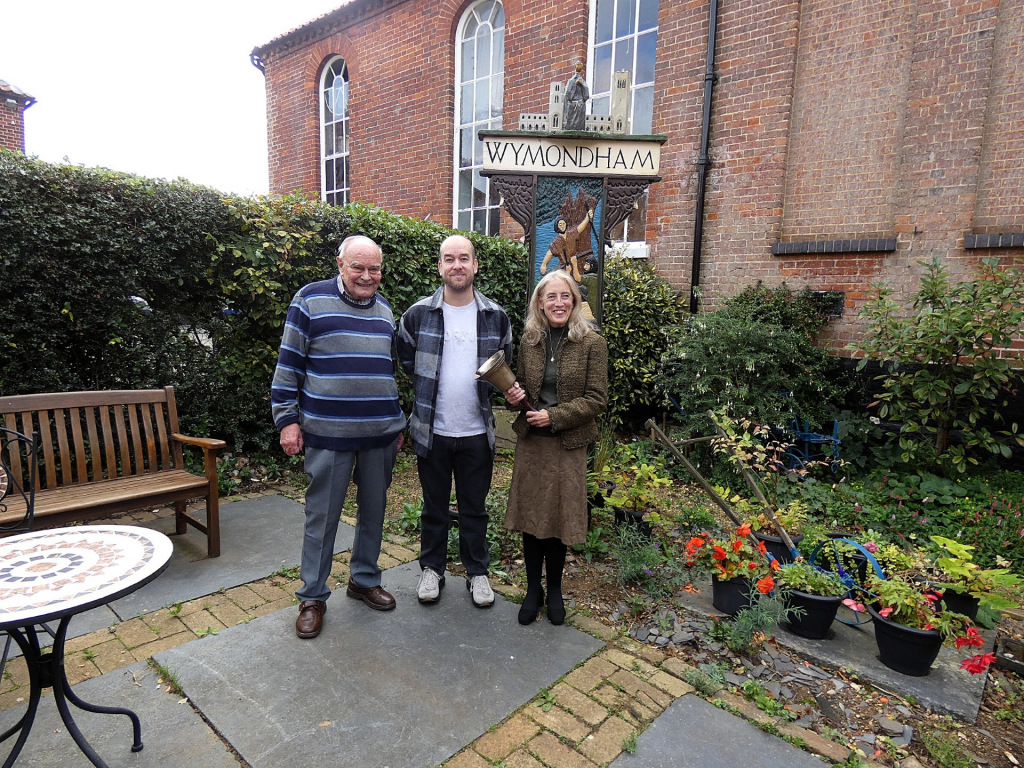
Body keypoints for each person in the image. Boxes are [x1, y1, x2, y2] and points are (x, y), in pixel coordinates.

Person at [272, 235, 407, 639]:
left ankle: (363, 579)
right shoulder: (309, 300)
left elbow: (385, 371)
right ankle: (312, 596)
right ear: (340, 264)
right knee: (322, 517)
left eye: (375, 269)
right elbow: (288, 365)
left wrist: (395, 422)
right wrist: (287, 421)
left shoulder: (385, 309)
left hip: (381, 434)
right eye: (358, 267)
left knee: (374, 513)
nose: (367, 276)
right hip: (327, 433)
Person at [398, 234, 513, 608]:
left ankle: (477, 572)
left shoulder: (495, 316)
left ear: (475, 265)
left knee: (474, 507)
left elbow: (504, 367)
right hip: (433, 430)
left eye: (464, 258)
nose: (457, 265)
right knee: (433, 506)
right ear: (440, 267)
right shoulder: (417, 314)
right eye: (449, 259)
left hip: (477, 431)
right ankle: (432, 569)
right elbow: (405, 361)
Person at [503, 271, 608, 625]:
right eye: (551, 297)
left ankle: (556, 590)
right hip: (532, 444)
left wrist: (555, 416)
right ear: (540, 303)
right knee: (533, 521)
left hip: (568, 445)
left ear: (575, 302)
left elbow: (597, 399)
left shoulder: (593, 343)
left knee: (559, 521)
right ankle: (533, 590)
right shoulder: (530, 339)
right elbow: (521, 392)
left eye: (565, 296)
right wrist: (513, 395)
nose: (558, 303)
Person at [563, 61, 590, 131]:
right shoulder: (571, 81)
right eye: (578, 66)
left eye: (580, 66)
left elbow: (586, 94)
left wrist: (581, 84)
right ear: (575, 67)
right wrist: (575, 84)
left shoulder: (583, 81)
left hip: (580, 104)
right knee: (571, 121)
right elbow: (568, 93)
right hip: (573, 104)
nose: (579, 67)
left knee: (580, 122)